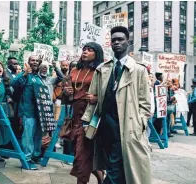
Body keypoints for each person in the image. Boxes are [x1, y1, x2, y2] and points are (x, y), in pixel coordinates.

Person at [81, 26, 152, 184]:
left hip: (127, 127)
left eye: (120, 39)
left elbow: (145, 103)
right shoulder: (102, 69)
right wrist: (87, 121)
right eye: (114, 40)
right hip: (105, 127)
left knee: (114, 168)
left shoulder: (139, 70)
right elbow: (92, 97)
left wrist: (139, 123)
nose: (117, 42)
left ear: (128, 42)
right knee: (115, 167)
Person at [63, 42, 104, 184]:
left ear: (97, 53)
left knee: (82, 153)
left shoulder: (101, 71)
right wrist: (67, 93)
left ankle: (82, 181)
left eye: (90, 50)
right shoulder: (74, 71)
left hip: (90, 116)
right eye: (84, 49)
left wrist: (97, 98)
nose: (85, 52)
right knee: (80, 152)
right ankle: (99, 175)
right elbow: (67, 98)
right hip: (75, 115)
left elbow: (110, 93)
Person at [11, 55, 43, 170]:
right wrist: (24, 74)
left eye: (36, 60)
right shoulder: (25, 75)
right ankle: (27, 159)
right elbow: (13, 83)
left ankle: (35, 156)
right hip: (27, 111)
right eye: (32, 60)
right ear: (28, 62)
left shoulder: (39, 77)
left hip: (39, 113)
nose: (35, 62)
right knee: (27, 137)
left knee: (37, 136)